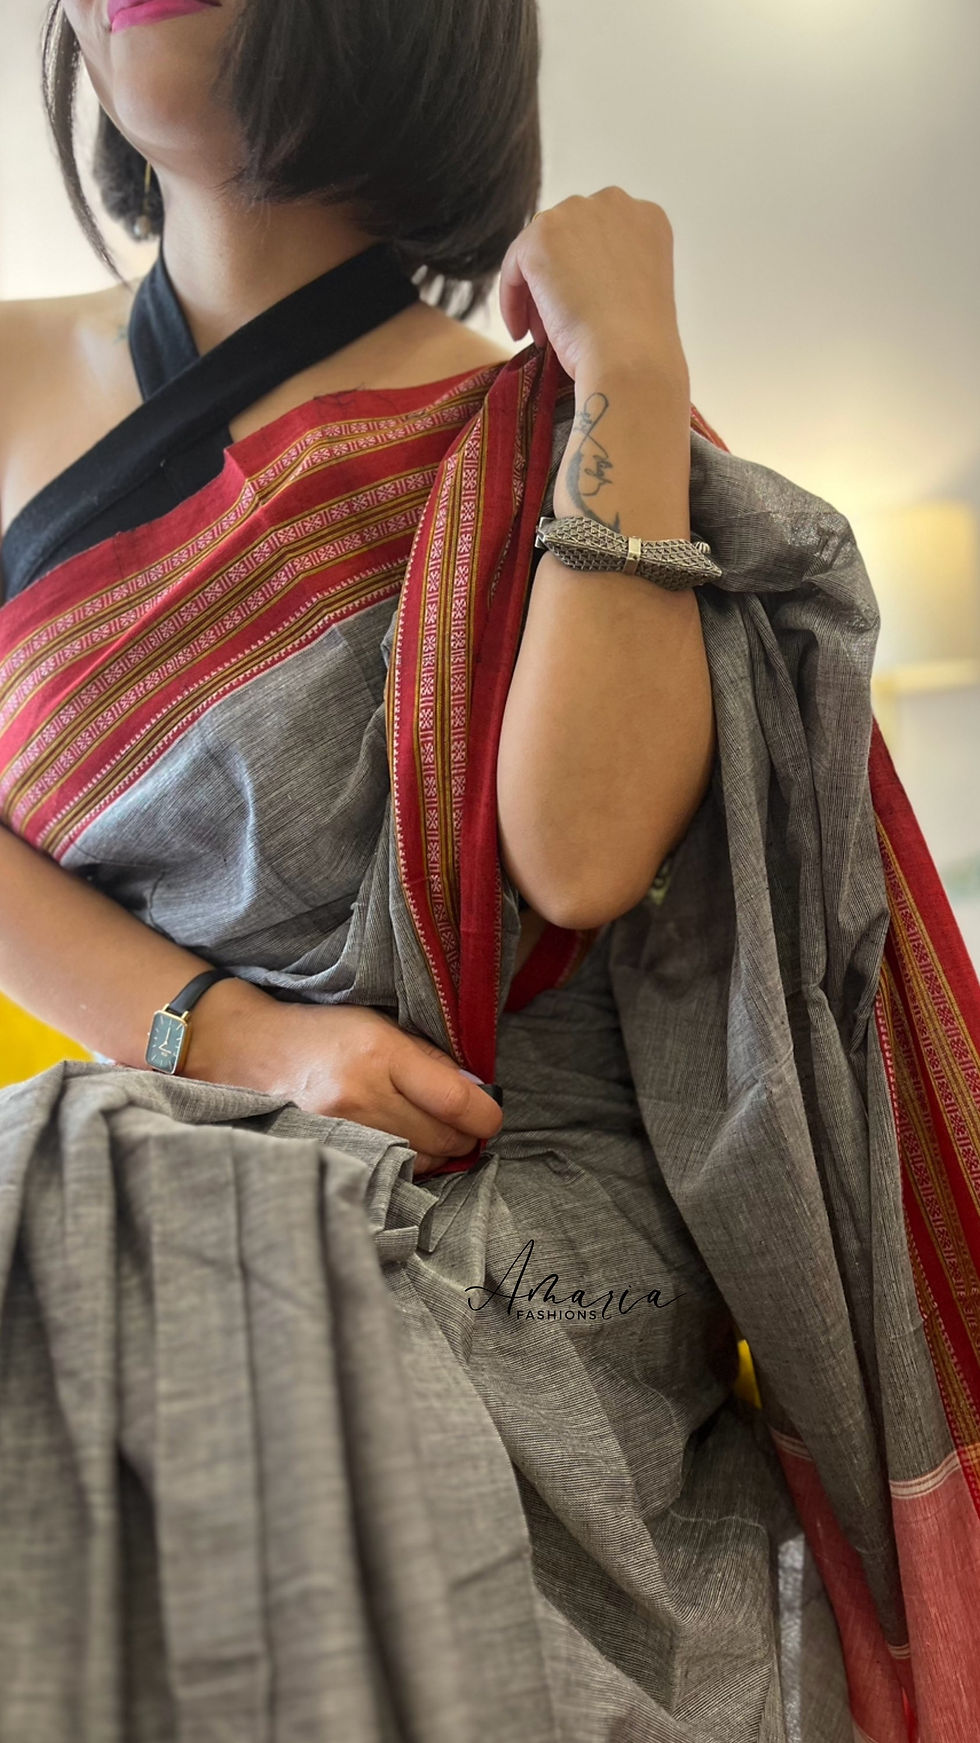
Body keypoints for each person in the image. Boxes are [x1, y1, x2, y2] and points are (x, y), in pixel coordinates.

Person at [1, 2, 979, 1740]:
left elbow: (578, 852)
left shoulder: (535, 426)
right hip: (185, 1194)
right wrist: (231, 1036)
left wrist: (634, 376)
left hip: (539, 1300)